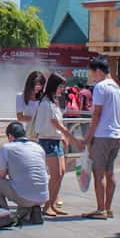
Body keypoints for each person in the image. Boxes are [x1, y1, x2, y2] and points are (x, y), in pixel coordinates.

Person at [32, 73, 79, 218]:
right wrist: (70, 137)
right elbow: (55, 123)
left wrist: (64, 136)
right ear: (54, 86)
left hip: (55, 140)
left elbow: (58, 122)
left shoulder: (53, 102)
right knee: (56, 174)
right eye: (60, 86)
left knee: (61, 172)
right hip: (48, 141)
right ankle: (47, 205)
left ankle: (51, 203)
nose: (62, 89)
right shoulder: (46, 103)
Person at [82, 57, 120, 220]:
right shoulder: (117, 88)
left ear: (98, 71)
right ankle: (108, 208)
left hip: (102, 135)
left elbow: (97, 114)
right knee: (110, 172)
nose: (92, 77)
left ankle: (100, 209)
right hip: (115, 135)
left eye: (93, 73)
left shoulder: (100, 87)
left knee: (98, 173)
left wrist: (88, 137)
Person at [0, 121, 50, 213]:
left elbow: (1, 175)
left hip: (24, 197)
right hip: (43, 197)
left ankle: (1, 213)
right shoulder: (38, 147)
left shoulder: (7, 148)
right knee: (23, 182)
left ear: (10, 136)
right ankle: (29, 212)